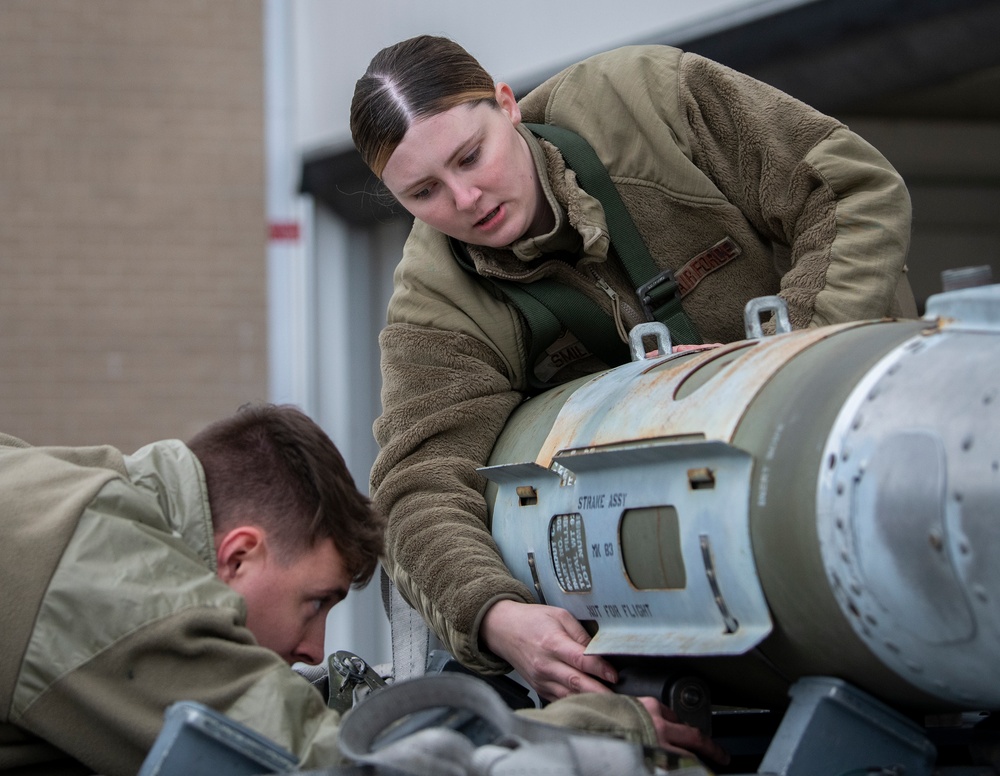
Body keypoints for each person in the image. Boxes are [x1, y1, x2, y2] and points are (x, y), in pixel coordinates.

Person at [351, 36, 917, 703]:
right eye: (424, 192)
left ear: (507, 105)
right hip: (697, 599)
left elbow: (849, 189)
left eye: (470, 156)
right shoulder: (435, 305)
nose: (466, 197)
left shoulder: (650, 100)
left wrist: (778, 365)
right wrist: (496, 617)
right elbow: (417, 489)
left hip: (877, 451)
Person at [0, 402, 719, 775]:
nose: (313, 646)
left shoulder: (50, 494)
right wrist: (598, 730)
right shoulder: (88, 555)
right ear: (239, 555)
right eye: (316, 602)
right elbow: (329, 767)